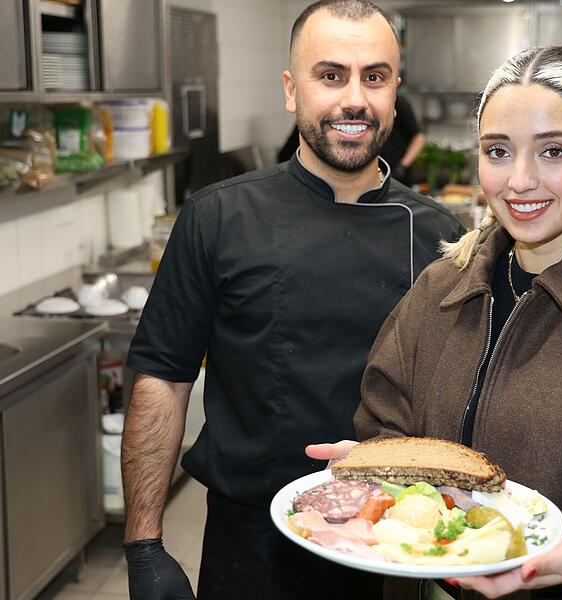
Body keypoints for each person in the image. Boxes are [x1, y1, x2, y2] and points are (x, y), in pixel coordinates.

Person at [309, 46, 562, 599]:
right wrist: (387, 464)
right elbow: (385, 418)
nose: (520, 180)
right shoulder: (440, 290)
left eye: (554, 151)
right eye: (498, 151)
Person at [121, 1, 463, 599]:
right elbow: (162, 377)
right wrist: (143, 543)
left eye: (374, 77)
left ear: (394, 92)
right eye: (330, 75)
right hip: (251, 551)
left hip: (395, 547)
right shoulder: (217, 217)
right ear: (291, 89)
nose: (354, 99)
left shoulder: (442, 236)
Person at [277, 95, 426, 184]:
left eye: (372, 78)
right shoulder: (311, 121)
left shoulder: (399, 104)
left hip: (395, 176)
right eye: (331, 77)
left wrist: (403, 166)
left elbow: (418, 137)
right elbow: (285, 155)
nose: (355, 103)